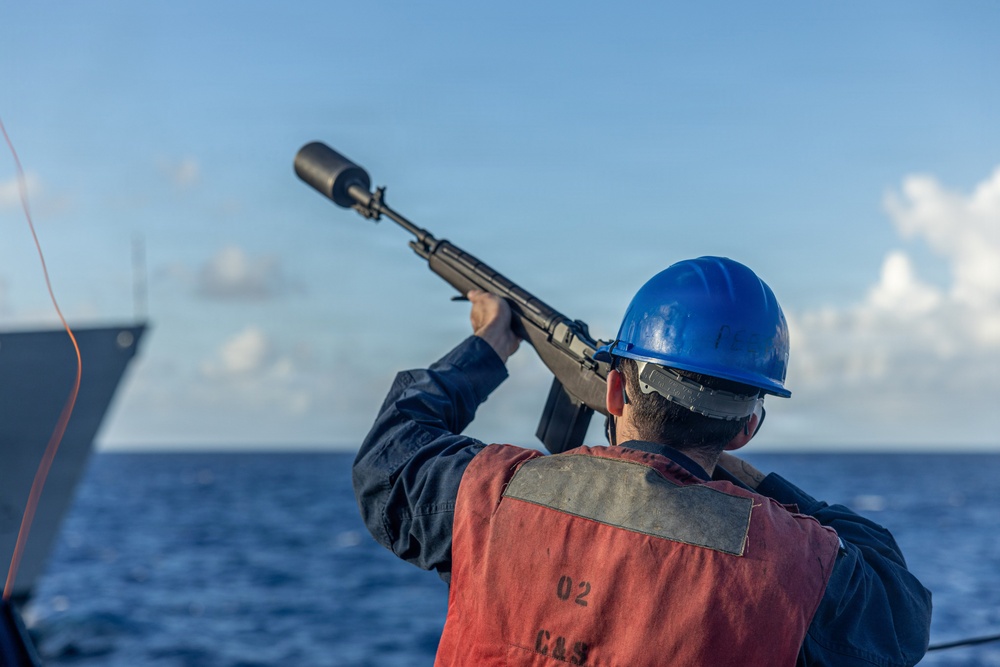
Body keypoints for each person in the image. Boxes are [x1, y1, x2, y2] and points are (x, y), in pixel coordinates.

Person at [353, 256, 932, 666]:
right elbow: (900, 616)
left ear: (612, 392)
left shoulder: (492, 493)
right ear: (747, 428)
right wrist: (755, 483)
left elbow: (391, 453)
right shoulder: (797, 563)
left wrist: (487, 346)